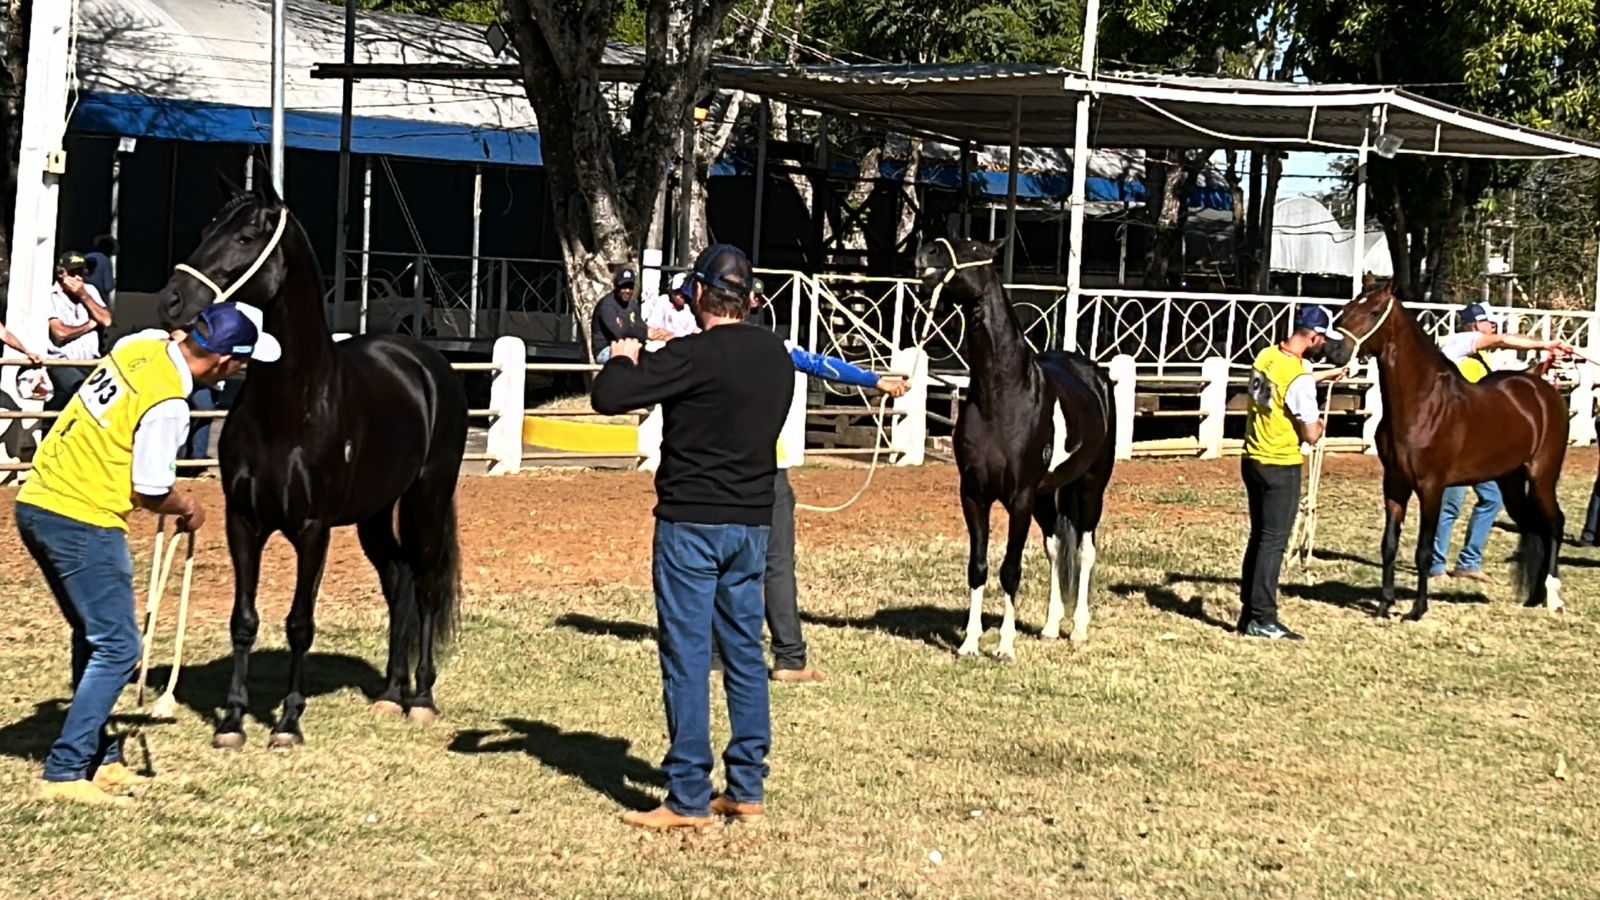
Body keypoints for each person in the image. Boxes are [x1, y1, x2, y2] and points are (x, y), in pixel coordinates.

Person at [16, 302, 278, 807]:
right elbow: (151, 488)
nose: (242, 372)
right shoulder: (170, 405)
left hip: (42, 502)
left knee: (95, 638)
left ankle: (102, 759)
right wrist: (188, 506)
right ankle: (66, 769)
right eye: (242, 364)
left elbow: (162, 334)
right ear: (223, 363)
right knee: (118, 647)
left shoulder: (139, 348)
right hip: (82, 516)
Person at [591, 243, 793, 830]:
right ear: (750, 300)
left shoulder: (690, 355)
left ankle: (687, 795)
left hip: (690, 523)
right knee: (744, 655)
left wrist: (626, 355)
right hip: (753, 522)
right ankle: (747, 787)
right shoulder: (775, 354)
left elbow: (609, 397)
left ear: (700, 294)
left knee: (686, 654)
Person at [1433, 302, 1572, 578]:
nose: (1493, 326)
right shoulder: (1460, 344)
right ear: (1475, 325)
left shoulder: (1482, 360)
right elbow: (1503, 339)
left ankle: (1468, 562)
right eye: (1489, 322)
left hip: (1480, 442)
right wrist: (1544, 344)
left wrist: (1542, 365)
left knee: (1492, 498)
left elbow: (1505, 387)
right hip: (1453, 440)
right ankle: (1435, 565)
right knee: (1450, 503)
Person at [1238, 305, 1348, 641]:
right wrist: (1320, 425)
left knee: (1259, 537)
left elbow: (1281, 388)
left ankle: (1250, 611)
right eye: (1321, 340)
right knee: (1274, 543)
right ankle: (1263, 617)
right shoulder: (1299, 379)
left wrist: (1323, 377)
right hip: (1280, 464)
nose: (1322, 346)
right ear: (1314, 336)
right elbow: (1310, 433)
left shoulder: (1267, 356)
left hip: (1253, 457)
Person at [45, 251, 113, 415]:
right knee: (79, 391)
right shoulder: (51, 296)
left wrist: (84, 296)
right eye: (74, 273)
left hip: (90, 362)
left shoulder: (89, 291)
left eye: (82, 273)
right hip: (62, 362)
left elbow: (106, 320)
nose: (79, 279)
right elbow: (60, 332)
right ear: (62, 274)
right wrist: (89, 326)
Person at [589, 264, 651, 362]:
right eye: (623, 287)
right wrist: (638, 333)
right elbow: (619, 333)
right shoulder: (607, 305)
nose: (627, 291)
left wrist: (641, 333)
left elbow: (641, 328)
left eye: (630, 287)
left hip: (629, 346)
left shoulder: (632, 304)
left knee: (651, 357)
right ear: (616, 286)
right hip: (606, 349)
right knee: (629, 359)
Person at [644, 273, 700, 340]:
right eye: (677, 291)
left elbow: (696, 333)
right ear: (671, 290)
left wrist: (671, 336)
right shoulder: (664, 301)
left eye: (684, 291)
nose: (681, 295)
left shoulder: (692, 306)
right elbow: (652, 328)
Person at [84, 235, 118, 306]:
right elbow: (108, 286)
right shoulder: (105, 260)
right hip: (97, 301)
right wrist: (114, 282)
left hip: (82, 297)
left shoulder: (86, 256)